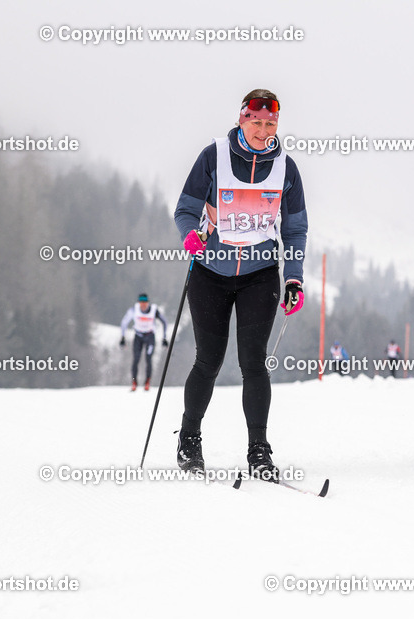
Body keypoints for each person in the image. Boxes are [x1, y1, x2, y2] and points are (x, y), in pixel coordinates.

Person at [172, 89, 308, 481]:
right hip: (210, 273)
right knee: (208, 360)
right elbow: (186, 209)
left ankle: (258, 449)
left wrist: (294, 277)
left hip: (260, 274)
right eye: (256, 121)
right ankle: (189, 438)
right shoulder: (213, 155)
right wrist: (189, 236)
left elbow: (295, 228)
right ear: (241, 120)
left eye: (270, 124)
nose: (263, 130)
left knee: (254, 363)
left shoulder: (287, 168)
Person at [120, 293, 168, 391]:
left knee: (148, 359)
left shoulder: (154, 310)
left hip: (150, 336)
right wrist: (123, 337)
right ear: (139, 303)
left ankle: (147, 382)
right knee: (136, 359)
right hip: (138, 336)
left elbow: (164, 322)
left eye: (145, 302)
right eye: (141, 302)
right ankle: (134, 383)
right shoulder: (134, 310)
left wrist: (164, 338)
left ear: (148, 302)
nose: (143, 305)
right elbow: (124, 322)